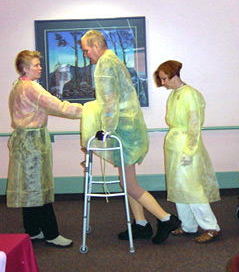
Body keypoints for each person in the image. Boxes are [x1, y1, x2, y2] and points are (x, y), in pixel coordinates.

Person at [80, 30, 181, 244]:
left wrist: (106, 129)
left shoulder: (105, 65)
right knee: (128, 181)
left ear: (96, 46)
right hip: (129, 128)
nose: (85, 54)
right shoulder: (113, 59)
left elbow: (109, 100)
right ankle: (141, 224)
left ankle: (166, 219)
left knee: (128, 183)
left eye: (86, 50)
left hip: (123, 131)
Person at [7, 50, 83, 247]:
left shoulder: (18, 86)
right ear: (25, 69)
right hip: (31, 142)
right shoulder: (31, 87)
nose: (40, 67)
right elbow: (59, 106)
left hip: (25, 141)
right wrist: (90, 110)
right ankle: (51, 233)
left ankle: (32, 230)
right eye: (36, 65)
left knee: (29, 187)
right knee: (38, 188)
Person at [154, 60, 221, 243]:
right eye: (161, 79)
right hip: (174, 145)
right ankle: (188, 225)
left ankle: (211, 227)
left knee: (192, 189)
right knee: (178, 188)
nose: (162, 83)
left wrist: (189, 151)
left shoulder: (191, 94)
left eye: (164, 79)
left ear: (174, 75)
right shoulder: (175, 94)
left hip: (186, 146)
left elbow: (194, 125)